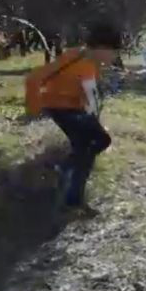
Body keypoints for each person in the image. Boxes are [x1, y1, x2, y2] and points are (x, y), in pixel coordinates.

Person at [40, 22, 121, 209]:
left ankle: (73, 199)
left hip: (56, 105)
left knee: (84, 149)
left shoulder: (79, 54)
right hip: (64, 107)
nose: (115, 57)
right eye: (114, 52)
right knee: (101, 140)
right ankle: (64, 169)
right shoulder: (87, 64)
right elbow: (91, 96)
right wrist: (95, 122)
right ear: (102, 48)